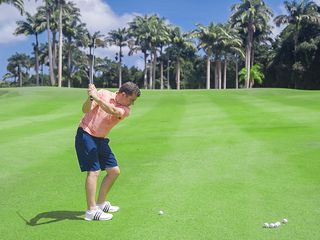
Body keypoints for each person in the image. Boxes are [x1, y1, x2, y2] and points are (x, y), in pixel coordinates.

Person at [75, 82, 141, 221]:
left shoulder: (125, 109)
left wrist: (97, 99)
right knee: (94, 171)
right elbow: (85, 110)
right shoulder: (104, 93)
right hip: (86, 134)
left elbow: (113, 111)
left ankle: (100, 203)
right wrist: (90, 97)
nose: (132, 103)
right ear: (123, 94)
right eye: (132, 99)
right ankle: (91, 211)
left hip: (100, 139)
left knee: (114, 171)